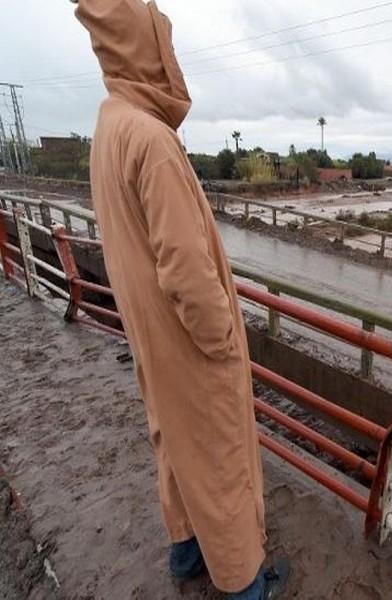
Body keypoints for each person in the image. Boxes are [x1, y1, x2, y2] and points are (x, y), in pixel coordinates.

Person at [72, 1, 290, 597]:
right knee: (220, 458)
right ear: (146, 49)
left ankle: (185, 552)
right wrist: (222, 341)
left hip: (149, 334)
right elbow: (187, 270)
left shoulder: (110, 123)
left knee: (175, 444)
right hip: (189, 342)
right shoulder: (154, 140)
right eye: (164, 46)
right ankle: (246, 583)